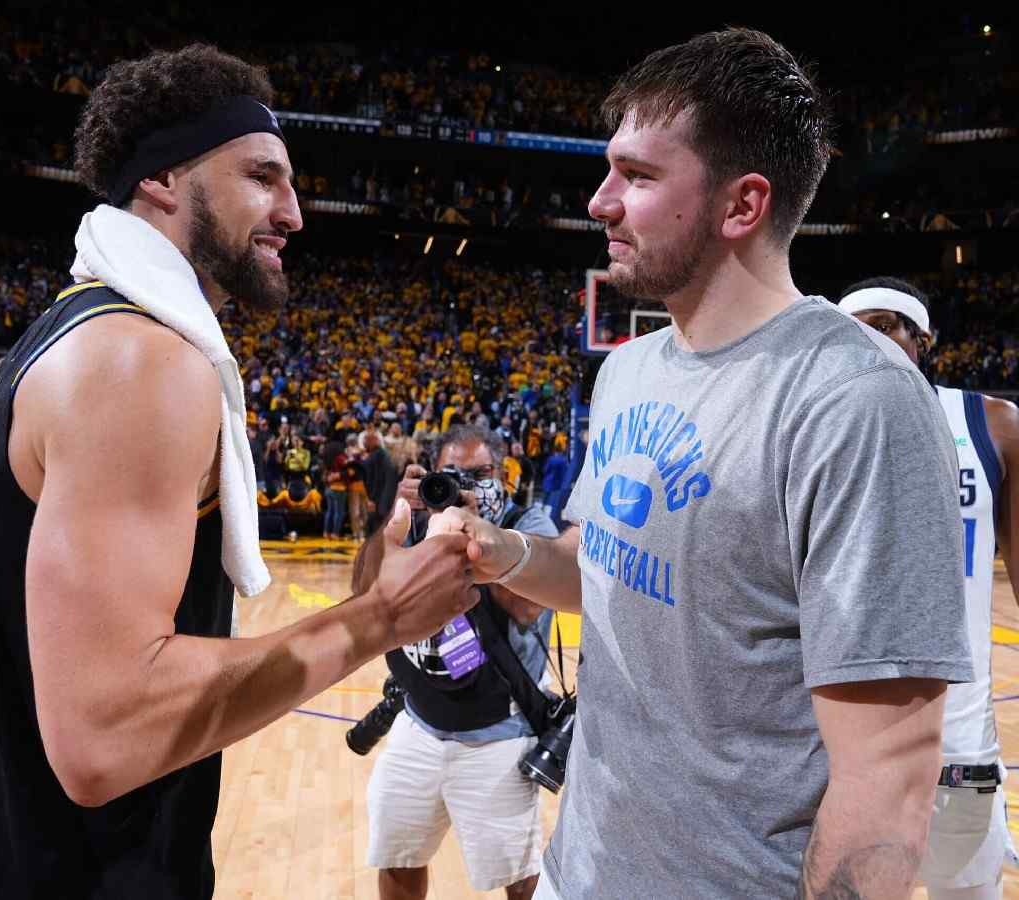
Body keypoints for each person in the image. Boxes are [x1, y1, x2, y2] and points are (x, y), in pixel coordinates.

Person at [0, 44, 476, 900]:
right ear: (162, 179)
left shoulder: (68, 328)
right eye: (263, 177)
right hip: (51, 871)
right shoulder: (139, 361)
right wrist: (382, 615)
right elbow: (104, 739)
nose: (294, 213)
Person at [427, 28, 971, 900]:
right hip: (583, 870)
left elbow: (890, 775)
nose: (600, 201)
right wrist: (507, 554)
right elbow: (601, 569)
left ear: (741, 206)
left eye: (638, 177)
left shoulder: (855, 400)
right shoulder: (631, 369)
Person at [838, 277, 1019, 900]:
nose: (869, 337)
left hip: (958, 739)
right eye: (854, 326)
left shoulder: (990, 423)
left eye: (887, 324)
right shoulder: (804, 426)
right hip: (835, 741)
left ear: (923, 340)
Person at [353, 425, 558, 900]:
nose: (466, 484)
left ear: (502, 473)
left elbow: (527, 607)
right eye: (453, 474)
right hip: (420, 723)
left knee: (520, 879)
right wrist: (396, 517)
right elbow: (363, 589)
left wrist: (477, 537)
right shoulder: (421, 521)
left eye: (479, 473)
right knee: (397, 857)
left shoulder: (529, 524)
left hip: (497, 736)